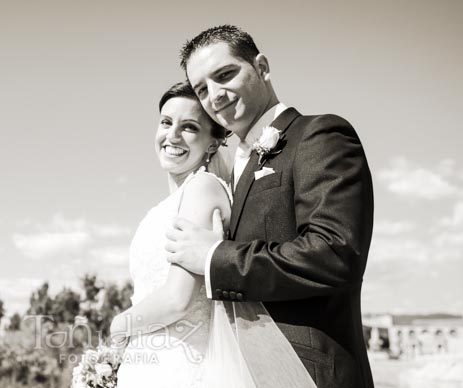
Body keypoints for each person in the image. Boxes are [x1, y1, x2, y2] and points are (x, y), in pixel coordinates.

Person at [165, 25, 376, 388]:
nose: (215, 96)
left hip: (308, 374)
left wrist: (214, 258)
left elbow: (334, 253)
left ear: (261, 67)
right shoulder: (228, 173)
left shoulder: (319, 136)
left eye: (225, 75)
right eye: (202, 89)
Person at [108, 81, 314, 388]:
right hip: (150, 362)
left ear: (213, 143)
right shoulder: (167, 204)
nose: (172, 135)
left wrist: (119, 325)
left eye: (189, 127)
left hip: (182, 366)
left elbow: (178, 299)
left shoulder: (202, 189)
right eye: (166, 122)